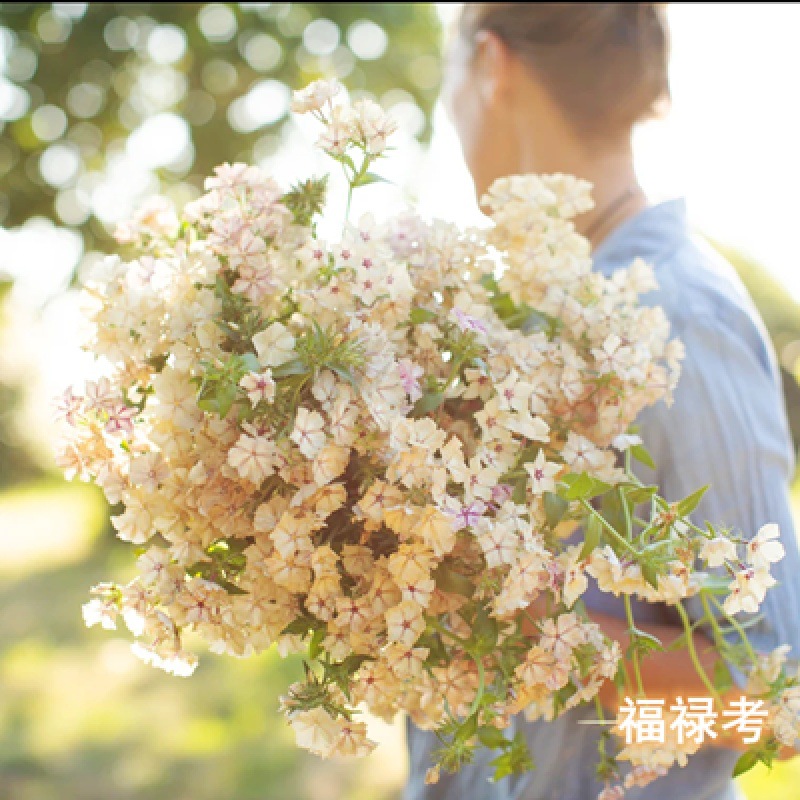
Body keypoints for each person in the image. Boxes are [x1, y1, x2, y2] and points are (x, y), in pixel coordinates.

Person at [404, 4, 800, 799]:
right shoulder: (525, 317)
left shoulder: (679, 317)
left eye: (447, 86)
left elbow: (775, 701)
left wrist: (549, 642)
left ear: (492, 67)